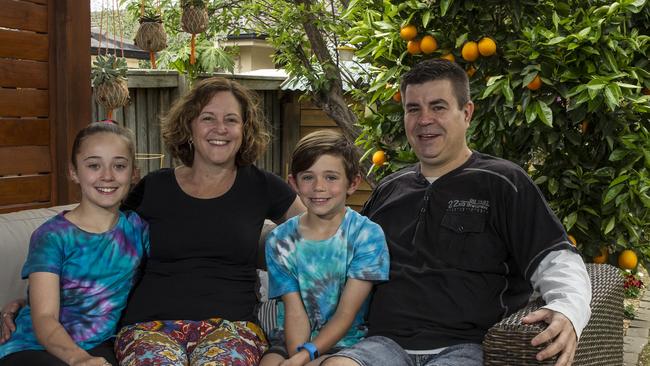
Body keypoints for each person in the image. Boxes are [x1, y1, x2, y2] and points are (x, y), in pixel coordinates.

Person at [322, 59, 591, 366]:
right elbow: (343, 261)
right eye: (413, 109)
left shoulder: (503, 182)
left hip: (465, 348)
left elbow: (556, 258)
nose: (424, 120)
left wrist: (569, 310)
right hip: (384, 344)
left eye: (438, 107)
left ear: (466, 113)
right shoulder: (389, 189)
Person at [113, 77, 305, 365]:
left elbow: (319, 231)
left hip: (233, 328)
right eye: (208, 118)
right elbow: (98, 243)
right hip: (148, 327)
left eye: (231, 120)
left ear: (244, 129)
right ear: (189, 125)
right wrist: (40, 301)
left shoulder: (262, 186)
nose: (220, 129)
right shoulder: (154, 187)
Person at [0, 122, 149, 366]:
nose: (107, 175)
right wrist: (79, 359)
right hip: (34, 346)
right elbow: (45, 317)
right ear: (73, 172)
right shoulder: (52, 236)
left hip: (99, 344)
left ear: (134, 173)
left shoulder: (137, 229)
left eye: (119, 165)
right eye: (93, 165)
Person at [260, 130, 390, 366]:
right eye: (308, 177)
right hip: (291, 335)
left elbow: (346, 314)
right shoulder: (280, 240)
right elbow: (294, 309)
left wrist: (306, 355)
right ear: (294, 183)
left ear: (353, 183)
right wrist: (298, 356)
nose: (319, 187)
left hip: (349, 341)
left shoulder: (366, 236)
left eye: (331, 177)